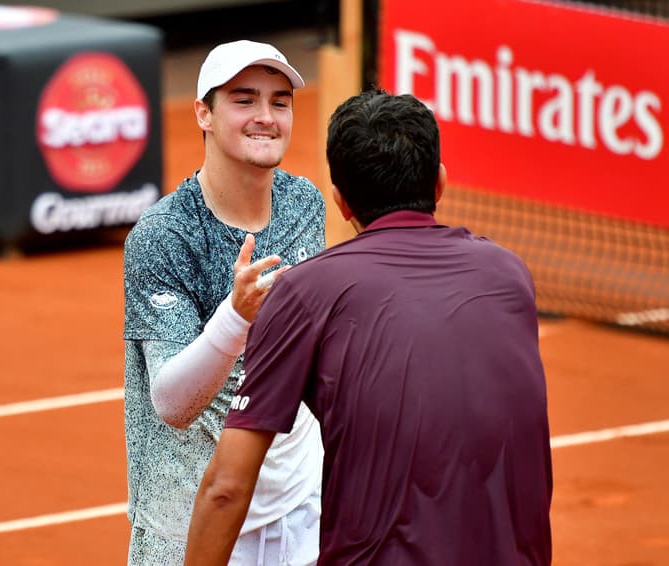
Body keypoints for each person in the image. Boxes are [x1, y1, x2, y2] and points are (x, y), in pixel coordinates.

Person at [184, 89, 553, 565]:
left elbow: (226, 489)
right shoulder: (510, 275)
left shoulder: (303, 292)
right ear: (439, 183)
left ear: (340, 201)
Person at [122, 40, 325, 566]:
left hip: (301, 512)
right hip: (191, 524)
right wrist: (235, 317)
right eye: (244, 100)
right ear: (203, 114)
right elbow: (172, 405)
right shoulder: (164, 236)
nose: (266, 117)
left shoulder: (305, 203)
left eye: (280, 102)